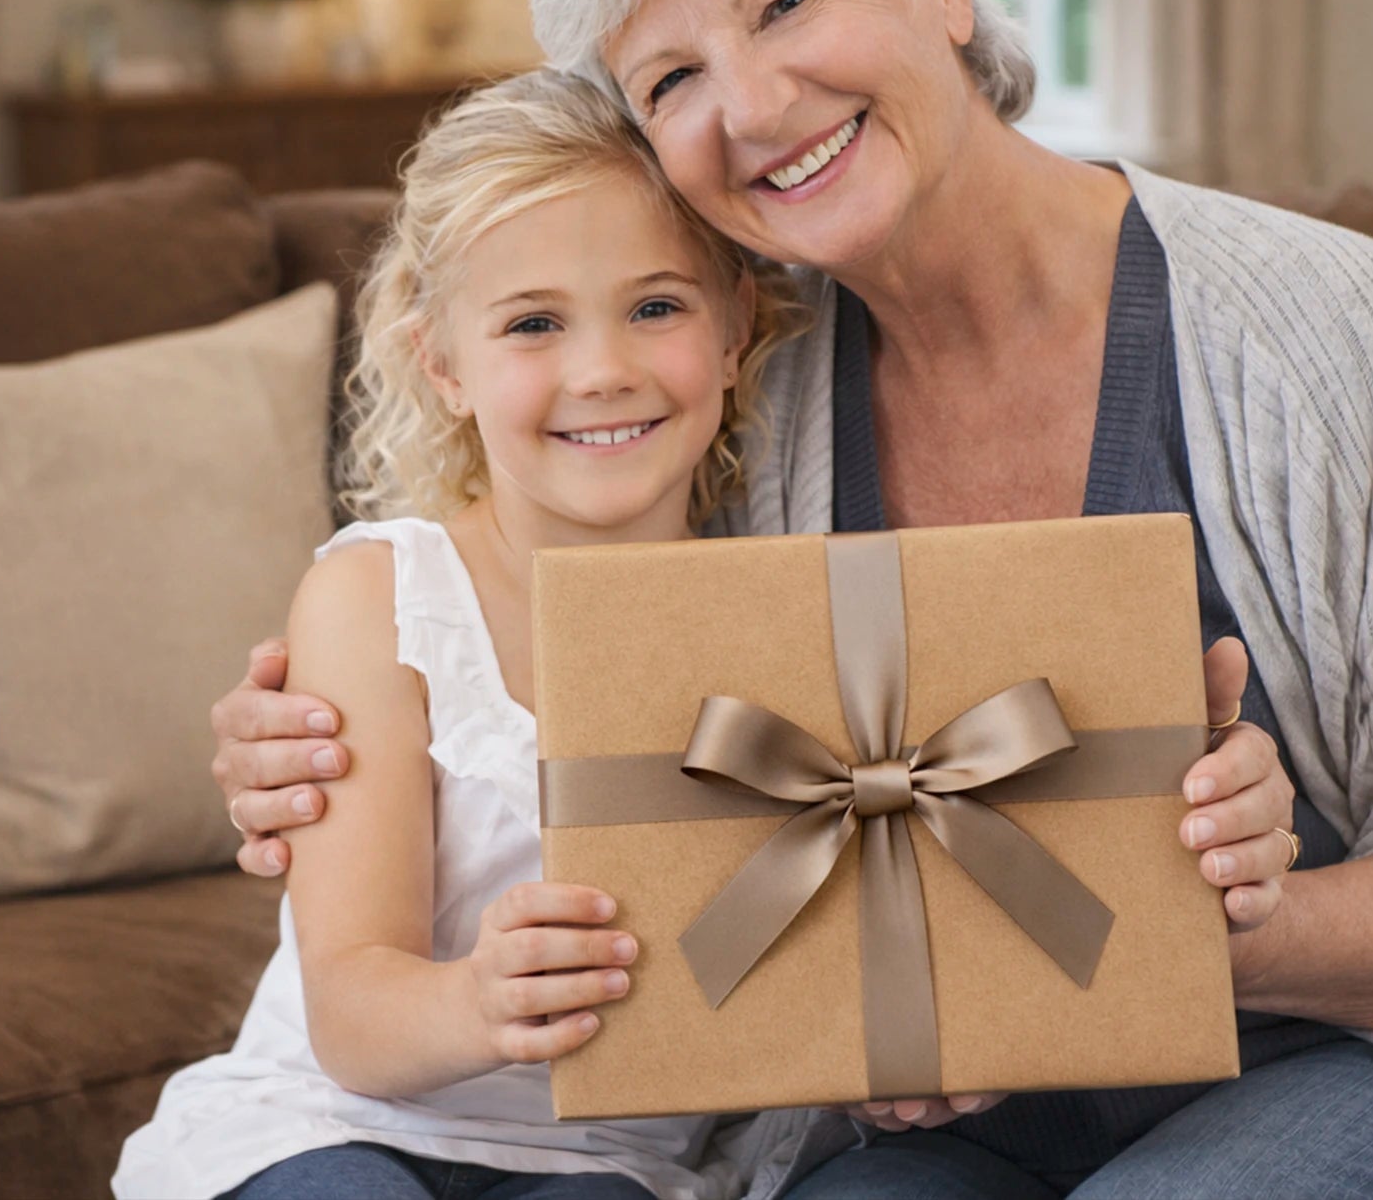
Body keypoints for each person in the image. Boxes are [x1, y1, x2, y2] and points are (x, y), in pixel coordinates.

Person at [211, 0, 1373, 1200]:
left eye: (789, 3)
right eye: (672, 75)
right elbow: (534, 659)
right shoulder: (731, 378)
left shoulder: (1323, 326)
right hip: (918, 1119)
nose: (750, 105)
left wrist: (1212, 921)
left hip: (1342, 1058)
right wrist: (310, 743)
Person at [116, 69, 852, 1200]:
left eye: (656, 306)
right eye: (532, 324)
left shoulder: (787, 608)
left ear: (736, 324)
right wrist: (479, 998)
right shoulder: (385, 598)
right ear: (444, 365)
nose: (602, 370)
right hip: (337, 1123)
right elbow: (355, 1016)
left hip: (608, 1158)